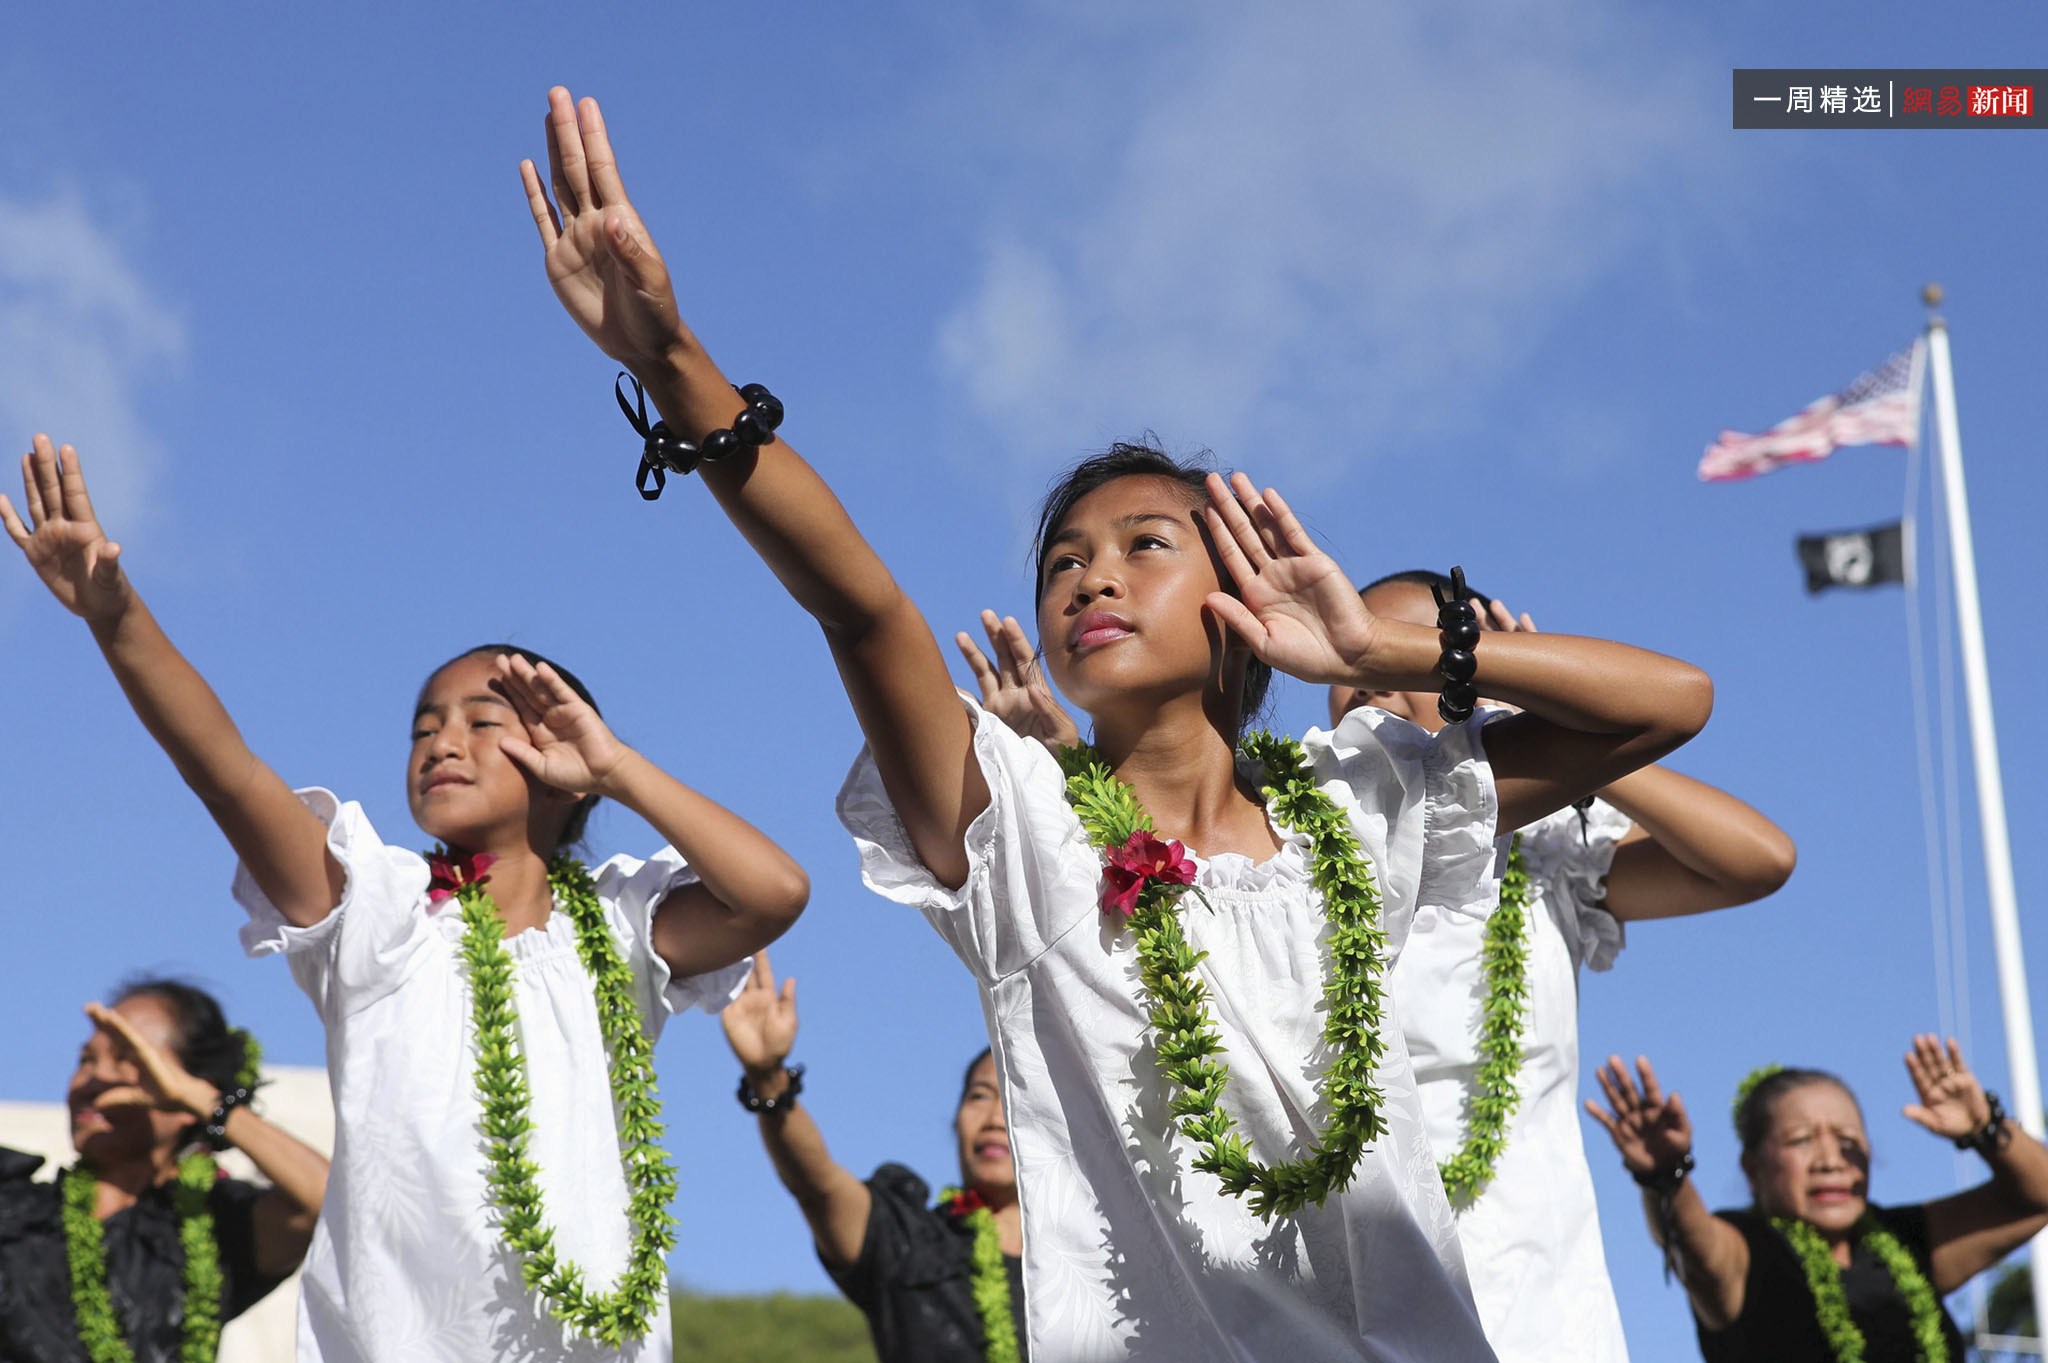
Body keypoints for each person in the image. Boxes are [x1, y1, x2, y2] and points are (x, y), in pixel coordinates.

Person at [521, 84, 1712, 1359]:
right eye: (1063, 561)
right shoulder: (1022, 835)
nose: (1090, 576)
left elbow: (1671, 703)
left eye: (1145, 544)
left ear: (1239, 592)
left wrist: (1382, 645)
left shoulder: (1363, 799)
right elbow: (861, 607)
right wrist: (672, 360)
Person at [0, 438, 810, 1362]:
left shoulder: (620, 923)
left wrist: (619, 767)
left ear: (565, 761)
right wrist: (117, 617)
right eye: (424, 725)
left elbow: (773, 892)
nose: (442, 742)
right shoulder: (378, 912)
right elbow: (227, 774)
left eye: (483, 721)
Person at [1320, 570, 1797, 1363]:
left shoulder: (1546, 858)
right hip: (1350, 1293)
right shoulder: (1290, 853)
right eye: (1358, 673)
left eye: (1418, 670)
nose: (1385, 696)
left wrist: (1576, 738)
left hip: (1536, 1308)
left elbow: (1757, 861)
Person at [1588, 1038, 2048, 1362]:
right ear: (1753, 1166)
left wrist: (1987, 1128)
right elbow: (1693, 1248)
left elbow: (2037, 1198)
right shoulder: (1746, 1252)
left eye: (1849, 1139)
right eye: (1801, 1140)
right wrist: (1664, 1174)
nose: (1831, 1160)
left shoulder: (1902, 1242)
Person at [720, 952, 1026, 1362]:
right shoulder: (906, 1239)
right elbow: (819, 1187)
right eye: (979, 1096)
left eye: (1013, 1102)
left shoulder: (1103, 1259)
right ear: (955, 1121)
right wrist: (768, 1078)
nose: (993, 1119)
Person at [0, 979, 327, 1363]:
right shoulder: (16, 1209)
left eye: (129, 1059)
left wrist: (206, 1103)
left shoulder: (216, 1224)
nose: (93, 1079)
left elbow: (327, 1204)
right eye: (86, 1059)